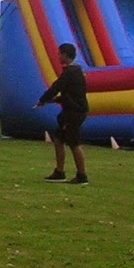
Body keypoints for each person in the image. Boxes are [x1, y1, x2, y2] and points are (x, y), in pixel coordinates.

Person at [36, 42, 89, 185]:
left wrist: (43, 99)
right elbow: (71, 93)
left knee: (74, 142)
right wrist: (53, 100)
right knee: (58, 138)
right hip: (71, 110)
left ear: (65, 54)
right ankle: (59, 172)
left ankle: (82, 175)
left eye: (60, 53)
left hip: (74, 112)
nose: (58, 56)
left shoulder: (71, 71)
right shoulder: (76, 71)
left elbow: (57, 87)